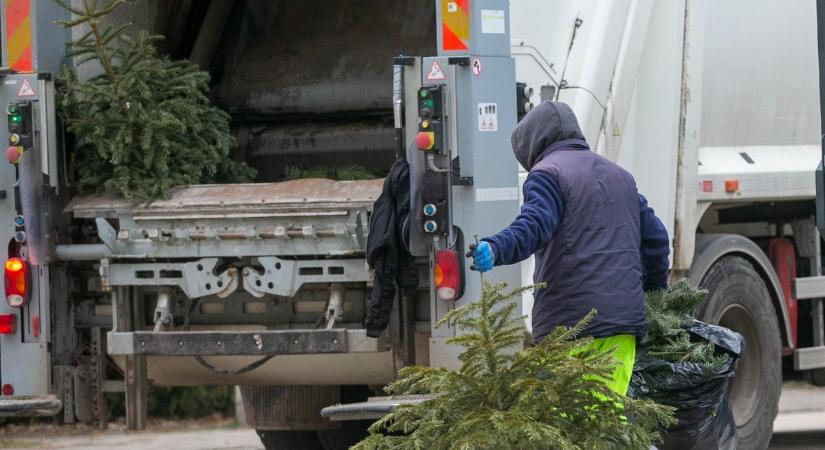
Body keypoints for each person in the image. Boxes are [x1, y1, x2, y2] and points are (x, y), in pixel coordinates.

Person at [468, 101, 670, 396]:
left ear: (532, 146)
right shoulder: (622, 177)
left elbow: (534, 224)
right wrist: (652, 299)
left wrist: (495, 247)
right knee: (609, 417)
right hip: (624, 326)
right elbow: (657, 239)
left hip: (571, 327)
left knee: (573, 425)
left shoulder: (548, 174)